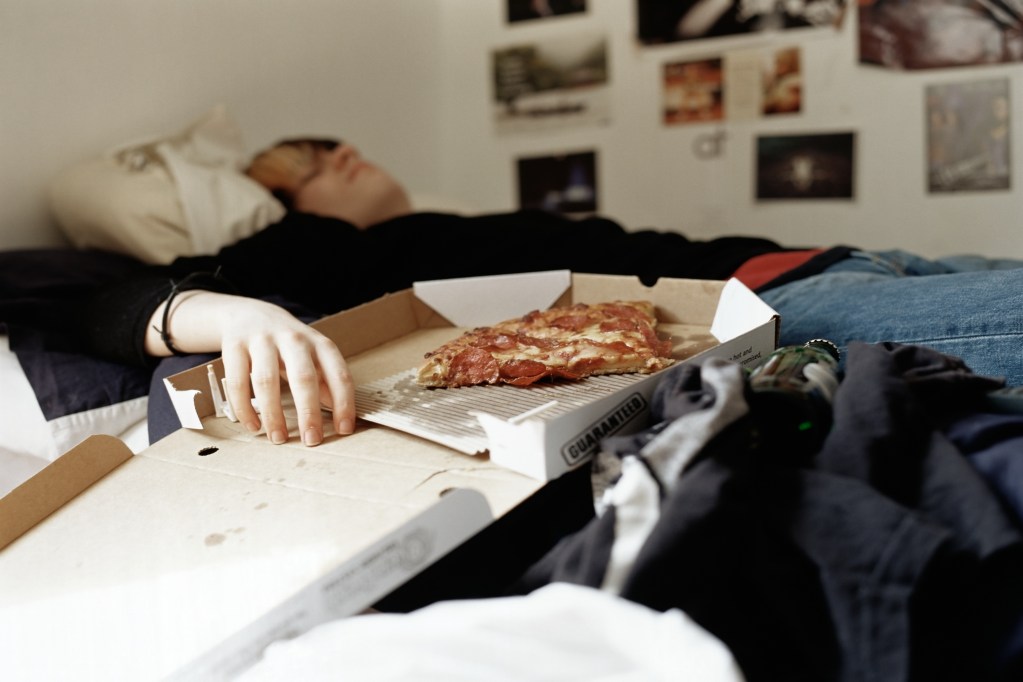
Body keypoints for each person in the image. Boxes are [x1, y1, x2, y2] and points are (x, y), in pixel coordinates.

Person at [78, 137, 1023, 450]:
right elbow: (95, 301)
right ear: (278, 205)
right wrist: (226, 313)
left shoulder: (436, 218)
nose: (339, 152)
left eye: (334, 138)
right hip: (756, 302)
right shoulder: (316, 251)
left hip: (819, 253)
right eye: (310, 161)